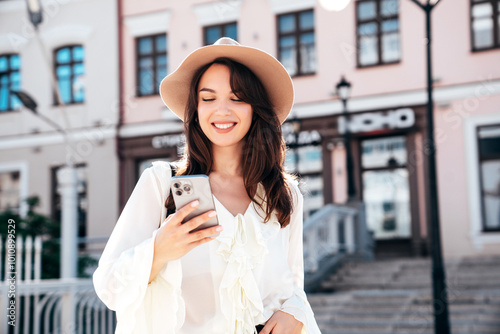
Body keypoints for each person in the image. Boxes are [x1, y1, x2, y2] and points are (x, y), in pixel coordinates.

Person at [93, 37, 322, 334]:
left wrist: (295, 312)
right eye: (208, 98)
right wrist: (160, 249)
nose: (222, 110)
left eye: (237, 98)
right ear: (196, 109)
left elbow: (294, 287)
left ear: (256, 108)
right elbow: (109, 286)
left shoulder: (283, 194)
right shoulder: (162, 184)